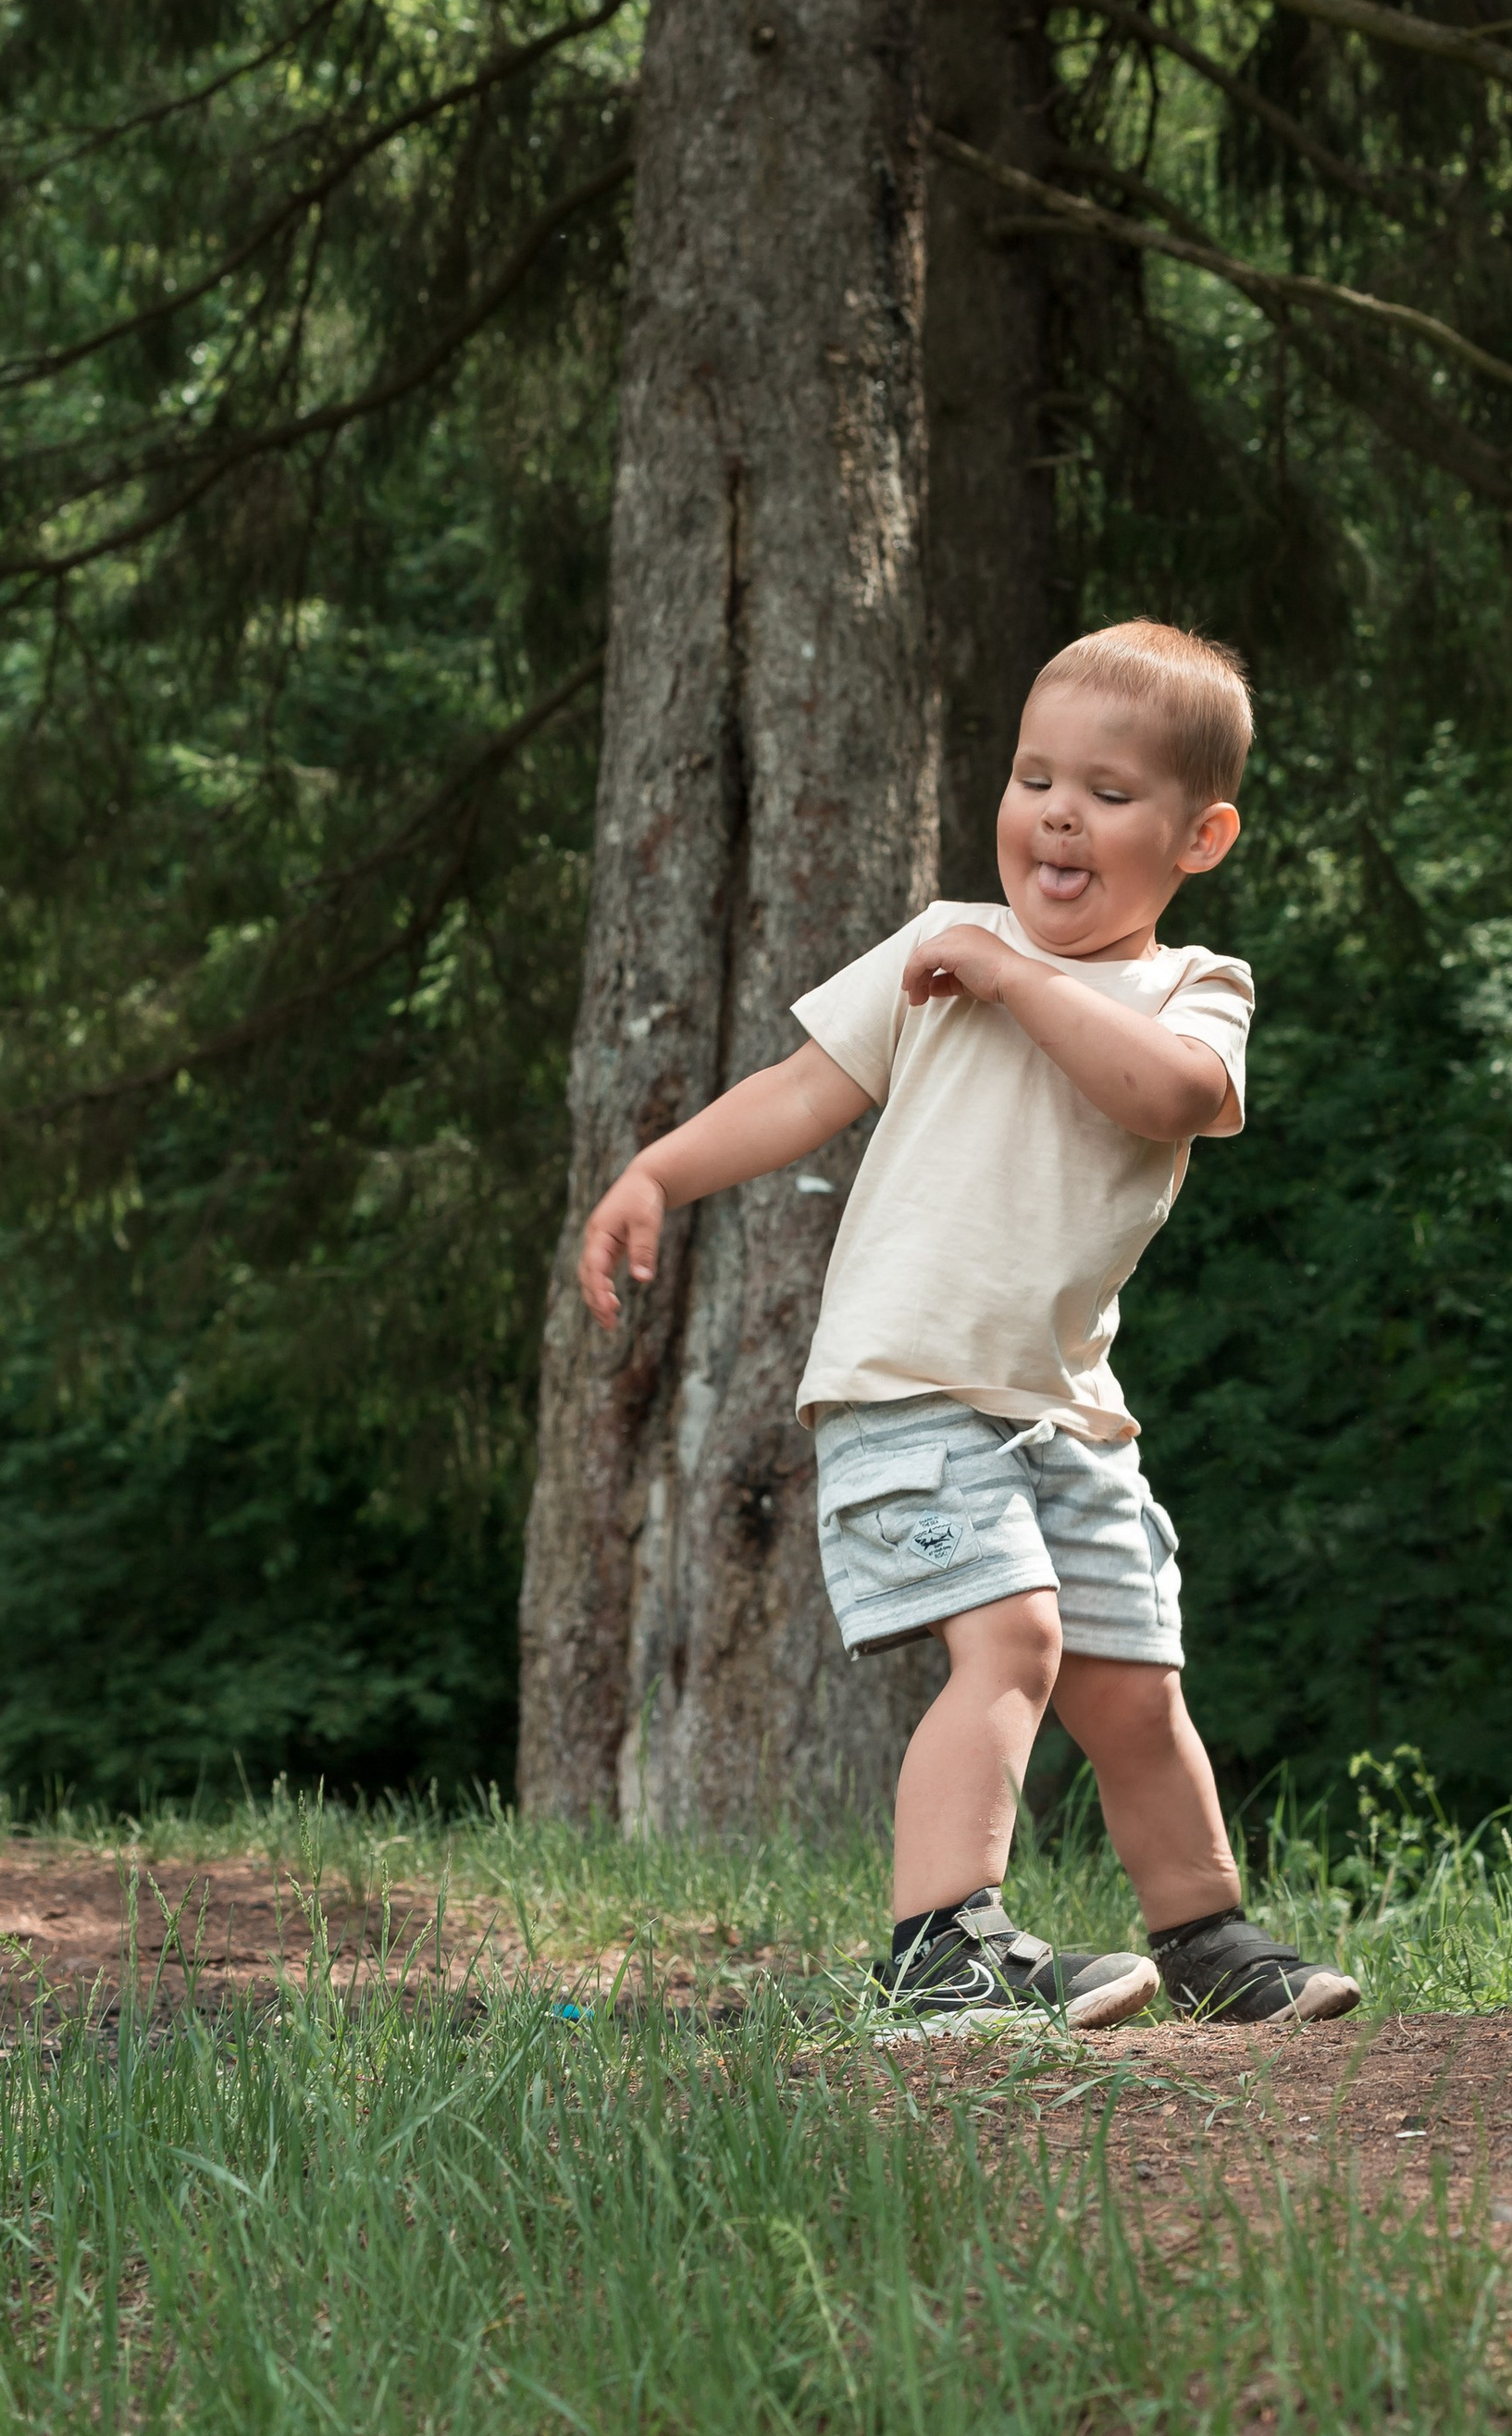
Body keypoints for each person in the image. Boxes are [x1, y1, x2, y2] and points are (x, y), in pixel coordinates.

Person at [579, 618, 1357, 2032]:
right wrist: (657, 1174)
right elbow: (800, 1089)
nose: (1057, 813)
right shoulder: (941, 950)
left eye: (1108, 793)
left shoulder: (1194, 989)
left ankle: (1206, 1940)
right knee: (1012, 1643)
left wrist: (1017, 980)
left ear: (1200, 837)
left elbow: (1171, 1095)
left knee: (1133, 1686)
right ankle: (939, 1945)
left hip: (1070, 1409)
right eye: (1033, 777)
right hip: (910, 1383)